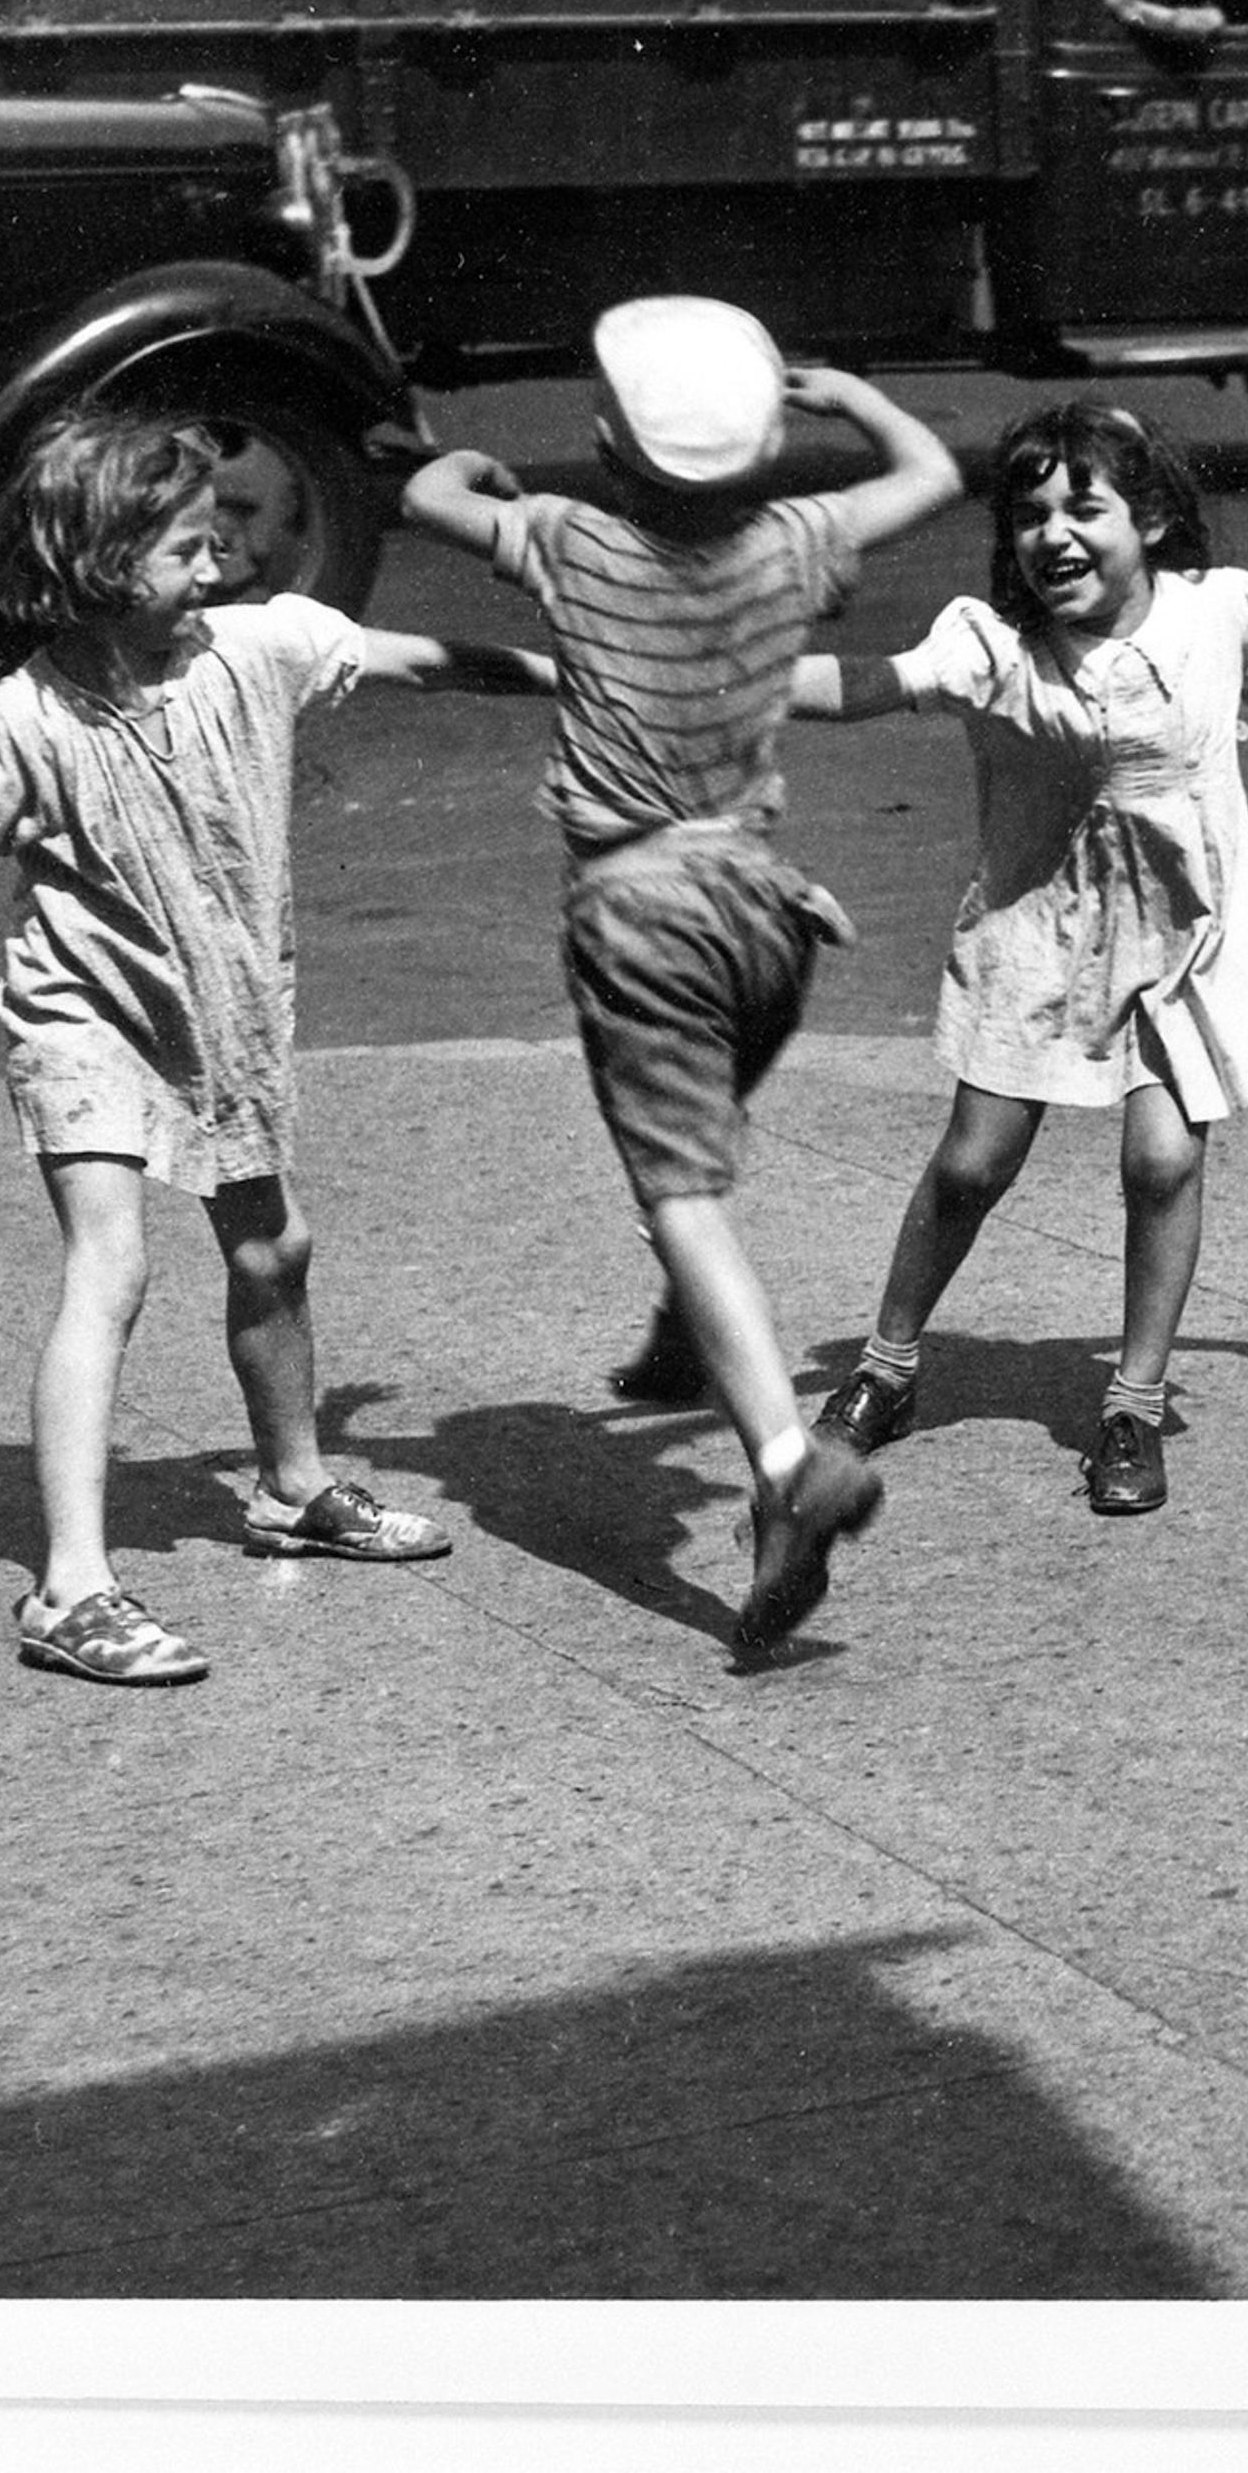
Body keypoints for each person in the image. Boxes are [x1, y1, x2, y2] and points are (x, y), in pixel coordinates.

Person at [0, 410, 557, 1687]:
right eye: (192, 546)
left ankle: (292, 1485)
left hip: (223, 1016)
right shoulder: (21, 719)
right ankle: (69, 1589)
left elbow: (423, 661)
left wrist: (585, 673)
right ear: (104, 561)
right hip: (84, 1016)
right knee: (112, 1264)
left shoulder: (262, 648)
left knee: (272, 1249)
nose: (223, 566)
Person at [397, 300, 962, 1658]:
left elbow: (421, 494)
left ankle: (783, 1460)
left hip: (641, 907)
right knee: (700, 1150)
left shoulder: (571, 541)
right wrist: (851, 399)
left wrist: (480, 475)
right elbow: (933, 474)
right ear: (769, 440)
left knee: (683, 1194)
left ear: (606, 437)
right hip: (768, 914)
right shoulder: (794, 541)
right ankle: (681, 1338)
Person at [792, 401, 1248, 1515]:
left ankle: (1132, 1405)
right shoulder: (991, 647)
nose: (1054, 535)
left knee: (1162, 1162)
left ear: (1149, 520)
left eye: (1084, 507)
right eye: (1030, 515)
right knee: (972, 1163)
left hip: (1191, 930)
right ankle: (888, 1365)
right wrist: (718, 683)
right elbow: (871, 686)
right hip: (1043, 922)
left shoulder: (1218, 611)